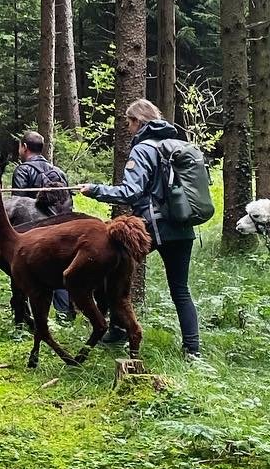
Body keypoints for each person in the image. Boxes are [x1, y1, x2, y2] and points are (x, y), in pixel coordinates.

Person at [78, 98, 201, 359]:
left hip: (152, 226)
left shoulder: (142, 149)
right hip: (182, 224)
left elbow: (131, 192)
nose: (128, 127)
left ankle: (118, 330)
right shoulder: (176, 144)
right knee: (180, 288)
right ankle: (192, 349)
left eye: (129, 122)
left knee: (114, 271)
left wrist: (95, 190)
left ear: (138, 121)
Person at [11, 131, 75, 324]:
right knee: (60, 270)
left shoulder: (22, 171)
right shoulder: (58, 171)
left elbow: (17, 204)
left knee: (29, 273)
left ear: (24, 147)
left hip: (35, 233)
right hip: (61, 229)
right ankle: (64, 316)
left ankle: (27, 316)